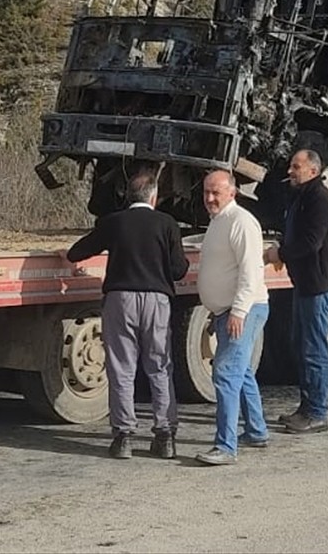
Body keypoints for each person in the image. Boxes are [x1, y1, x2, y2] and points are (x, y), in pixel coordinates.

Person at [64, 171, 188, 460]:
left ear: (127, 196)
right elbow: (179, 269)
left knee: (121, 368)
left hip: (120, 300)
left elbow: (76, 252)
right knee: (159, 366)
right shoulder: (167, 224)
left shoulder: (113, 223)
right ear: (154, 197)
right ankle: (165, 435)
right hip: (157, 300)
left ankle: (123, 437)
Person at [264, 149, 328, 435]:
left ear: (313, 170)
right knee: (302, 344)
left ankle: (317, 413)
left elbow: (311, 242)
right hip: (307, 282)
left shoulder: (320, 198)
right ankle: (306, 407)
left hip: (319, 284)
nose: (290, 171)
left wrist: (280, 253)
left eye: (296, 167)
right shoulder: (302, 196)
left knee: (313, 348)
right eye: (290, 165)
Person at [194, 170, 271, 466]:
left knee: (225, 374)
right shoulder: (218, 222)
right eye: (206, 193)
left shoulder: (241, 222)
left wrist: (238, 311)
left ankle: (226, 447)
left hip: (245, 309)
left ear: (232, 193)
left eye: (216, 193)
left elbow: (251, 272)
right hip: (227, 310)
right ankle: (256, 430)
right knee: (241, 372)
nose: (210, 198)